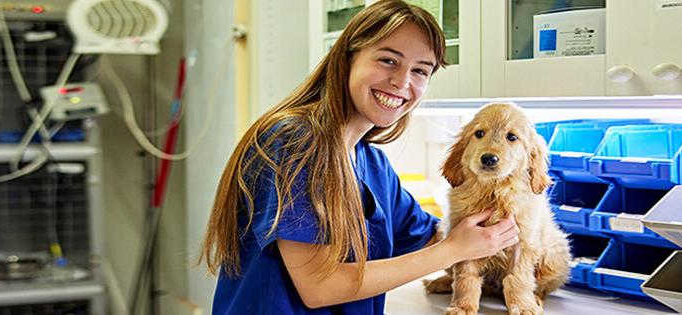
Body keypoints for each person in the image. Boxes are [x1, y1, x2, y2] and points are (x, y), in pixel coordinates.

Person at [198, 1, 520, 313]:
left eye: (421, 71)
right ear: (349, 57)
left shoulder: (372, 164)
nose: (402, 82)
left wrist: (502, 218)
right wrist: (454, 250)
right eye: (388, 61)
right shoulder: (295, 143)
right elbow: (319, 286)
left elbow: (432, 236)